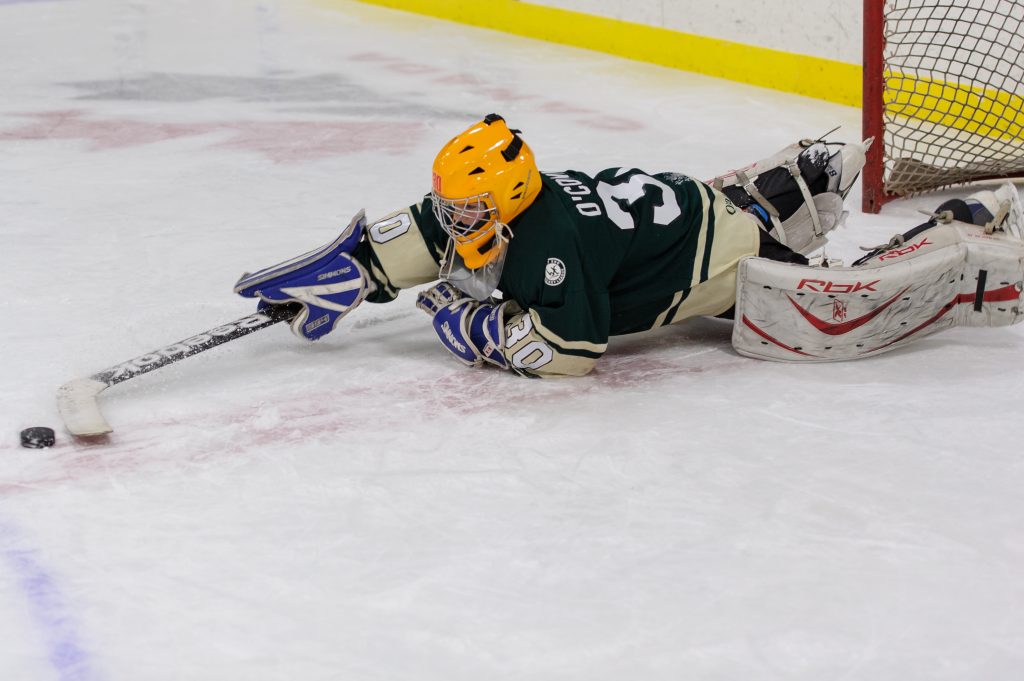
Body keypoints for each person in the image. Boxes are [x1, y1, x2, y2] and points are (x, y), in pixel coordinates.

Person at [234, 114, 1024, 376]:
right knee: (711, 212)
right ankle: (795, 180)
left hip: (714, 259)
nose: (455, 219)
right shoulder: (508, 201)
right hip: (683, 204)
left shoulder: (546, 242)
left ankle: (966, 222)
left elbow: (572, 349)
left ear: (503, 203)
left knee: (817, 309)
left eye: (468, 209)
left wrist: (464, 326)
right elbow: (435, 225)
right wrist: (354, 267)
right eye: (456, 207)